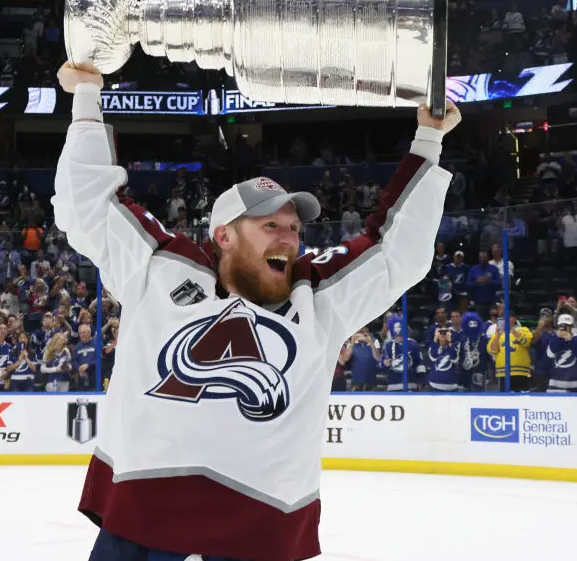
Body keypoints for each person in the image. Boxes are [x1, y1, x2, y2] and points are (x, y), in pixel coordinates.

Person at [54, 63, 459, 561]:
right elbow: (88, 207)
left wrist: (429, 140)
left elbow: (397, 251)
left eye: (293, 226)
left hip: (262, 519)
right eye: (270, 225)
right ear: (224, 234)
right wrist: (87, 94)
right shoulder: (161, 267)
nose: (289, 236)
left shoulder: (319, 294)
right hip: (147, 504)